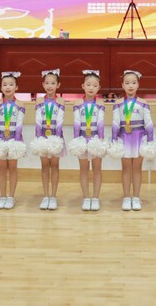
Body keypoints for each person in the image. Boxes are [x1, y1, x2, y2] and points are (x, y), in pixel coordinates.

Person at [112, 70, 153, 211]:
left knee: (137, 168)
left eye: (134, 83)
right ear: (122, 85)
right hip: (124, 137)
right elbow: (115, 123)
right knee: (126, 168)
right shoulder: (118, 103)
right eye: (127, 83)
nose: (130, 86)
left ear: (138, 85)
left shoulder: (143, 103)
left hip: (139, 137)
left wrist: (150, 140)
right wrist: (114, 140)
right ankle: (126, 197)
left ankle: (136, 197)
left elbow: (148, 123)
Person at [0, 71, 26, 210]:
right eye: (4, 84)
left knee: (12, 168)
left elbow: (19, 125)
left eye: (11, 84)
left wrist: (16, 142)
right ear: (1, 87)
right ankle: (2, 196)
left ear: (16, 87)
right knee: (2, 168)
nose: (8, 87)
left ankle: (11, 196)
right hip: (0, 140)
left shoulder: (20, 104)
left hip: (14, 140)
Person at [69, 70, 105, 211]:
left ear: (99, 88)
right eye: (88, 85)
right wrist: (77, 141)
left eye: (94, 85)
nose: (91, 88)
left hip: (96, 139)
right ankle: (86, 198)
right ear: (83, 86)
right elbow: (76, 123)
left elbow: (100, 123)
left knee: (97, 169)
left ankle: (95, 198)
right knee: (83, 169)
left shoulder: (100, 104)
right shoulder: (78, 103)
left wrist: (100, 140)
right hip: (82, 139)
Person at [31, 69, 65, 210]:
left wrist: (56, 139)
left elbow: (60, 121)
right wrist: (40, 139)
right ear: (43, 84)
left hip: (56, 137)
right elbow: (38, 121)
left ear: (58, 84)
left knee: (55, 166)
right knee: (45, 166)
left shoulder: (61, 101)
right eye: (47, 83)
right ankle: (46, 196)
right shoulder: (39, 101)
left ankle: (53, 196)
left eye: (53, 83)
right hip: (42, 137)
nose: (50, 86)